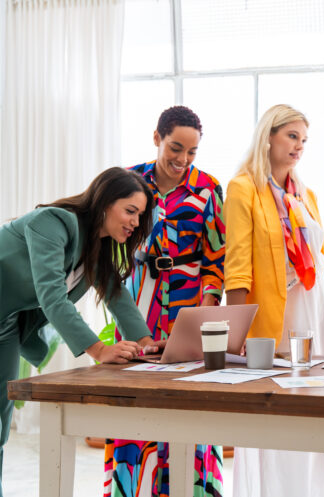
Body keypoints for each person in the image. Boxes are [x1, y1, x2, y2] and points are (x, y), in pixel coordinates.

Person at [224, 104, 324, 497]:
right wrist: (236, 337)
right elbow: (237, 264)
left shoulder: (306, 194)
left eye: (304, 139)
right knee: (278, 415)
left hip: (320, 312)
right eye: (292, 136)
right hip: (280, 316)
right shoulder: (242, 188)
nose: (299, 146)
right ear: (268, 135)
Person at [0, 167, 160, 497]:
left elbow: (116, 293)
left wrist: (146, 343)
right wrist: (99, 350)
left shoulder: (96, 248)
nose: (134, 222)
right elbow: (52, 295)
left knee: (0, 428)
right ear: (103, 202)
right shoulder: (54, 223)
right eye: (129, 211)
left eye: (140, 215)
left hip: (5, 326)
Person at [104, 106, 226, 497]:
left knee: (191, 395)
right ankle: (132, 489)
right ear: (157, 137)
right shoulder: (128, 181)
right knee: (134, 391)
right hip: (139, 298)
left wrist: (205, 308)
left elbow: (216, 257)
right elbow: (109, 245)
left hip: (189, 301)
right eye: (176, 148)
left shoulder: (208, 187)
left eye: (191, 152)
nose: (182, 160)